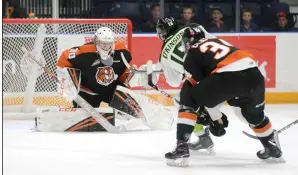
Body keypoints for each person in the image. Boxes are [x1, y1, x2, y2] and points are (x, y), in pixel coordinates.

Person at [156, 18, 283, 167]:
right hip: (253, 72)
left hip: (226, 77)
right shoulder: (198, 29)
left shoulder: (188, 54)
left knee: (187, 97)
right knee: (252, 115)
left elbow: (182, 82)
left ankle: (182, 146)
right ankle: (271, 146)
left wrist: (213, 116)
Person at [156, 17, 218, 154]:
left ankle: (202, 135)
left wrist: (177, 68)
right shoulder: (195, 26)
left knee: (181, 103)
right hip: (227, 70)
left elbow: (174, 81)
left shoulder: (164, 54)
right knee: (245, 111)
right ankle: (268, 136)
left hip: (206, 85)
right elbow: (216, 41)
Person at [57, 27, 134, 108]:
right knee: (84, 118)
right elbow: (63, 59)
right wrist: (67, 82)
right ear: (96, 41)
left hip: (112, 90)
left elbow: (125, 71)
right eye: (102, 43)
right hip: (88, 91)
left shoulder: (122, 52)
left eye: (108, 43)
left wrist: (132, 77)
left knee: (132, 110)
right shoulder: (84, 52)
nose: (106, 46)